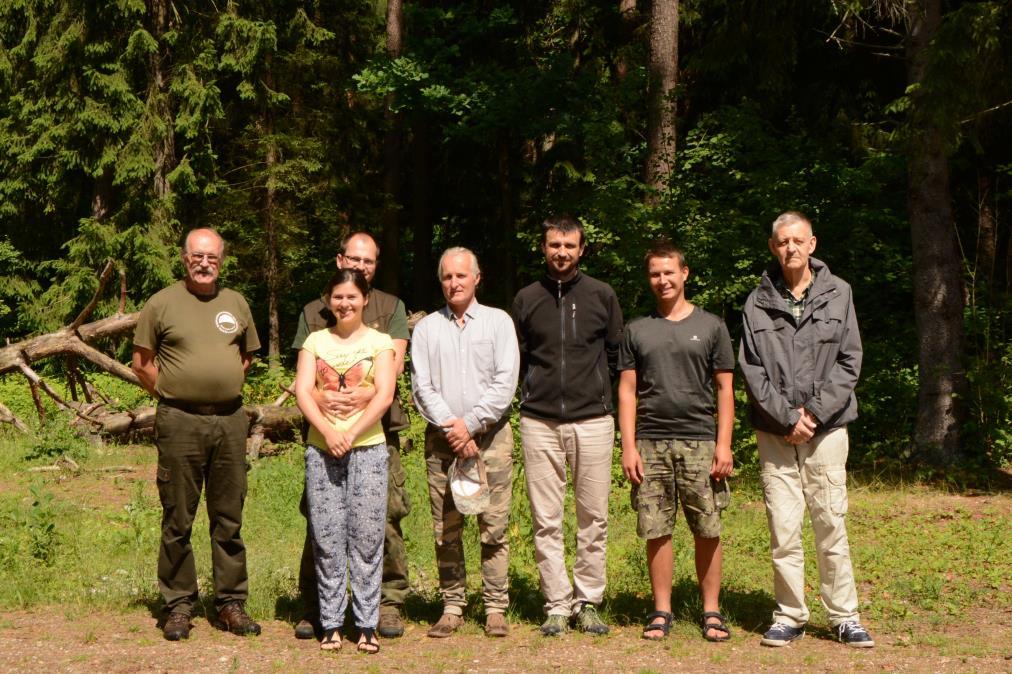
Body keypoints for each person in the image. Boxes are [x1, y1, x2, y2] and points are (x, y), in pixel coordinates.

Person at [739, 211, 874, 648]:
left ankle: (844, 616)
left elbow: (849, 361)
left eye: (798, 240)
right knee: (783, 526)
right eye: (782, 242)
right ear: (772, 247)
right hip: (775, 432)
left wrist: (812, 415)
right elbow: (752, 369)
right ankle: (790, 615)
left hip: (828, 428)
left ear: (812, 243)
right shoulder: (756, 301)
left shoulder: (840, 293)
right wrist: (787, 418)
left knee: (830, 522)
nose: (790, 248)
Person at [132, 228, 261, 641]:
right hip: (180, 423)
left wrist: (216, 387)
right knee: (178, 517)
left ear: (221, 260)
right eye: (197, 256)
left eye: (212, 257)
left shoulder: (235, 302)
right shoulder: (162, 303)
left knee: (229, 517)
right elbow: (142, 362)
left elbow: (244, 358)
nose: (205, 263)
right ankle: (179, 605)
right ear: (184, 258)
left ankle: (230, 603)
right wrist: (175, 395)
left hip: (230, 420)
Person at [291, 231, 412, 640]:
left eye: (369, 262)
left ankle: (386, 604)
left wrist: (360, 394)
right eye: (354, 259)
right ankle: (318, 607)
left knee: (383, 521)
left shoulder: (391, 307)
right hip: (324, 436)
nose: (360, 267)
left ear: (376, 265)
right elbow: (305, 383)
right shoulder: (313, 313)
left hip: (377, 434)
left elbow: (389, 371)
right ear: (340, 257)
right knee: (321, 521)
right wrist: (324, 404)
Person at [617, 240, 735, 642]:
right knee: (656, 529)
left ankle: (711, 610)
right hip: (650, 443)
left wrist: (724, 444)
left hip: (700, 442)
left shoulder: (712, 326)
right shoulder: (636, 329)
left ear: (685, 273)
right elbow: (628, 391)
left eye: (669, 272)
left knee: (708, 527)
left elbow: (724, 390)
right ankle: (661, 609)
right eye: (655, 273)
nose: (662, 279)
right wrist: (628, 446)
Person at [511, 215, 623, 636]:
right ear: (544, 247)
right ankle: (557, 604)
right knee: (547, 518)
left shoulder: (602, 295)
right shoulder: (526, 299)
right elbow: (517, 358)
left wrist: (601, 397)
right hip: (538, 420)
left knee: (593, 516)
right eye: (554, 245)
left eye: (569, 246)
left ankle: (588, 601)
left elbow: (616, 355)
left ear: (581, 250)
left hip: (593, 419)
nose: (562, 253)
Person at [411, 248, 520, 639]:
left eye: (461, 276)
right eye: (447, 277)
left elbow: (505, 382)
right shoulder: (426, 329)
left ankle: (495, 607)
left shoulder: (498, 323)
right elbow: (421, 386)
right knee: (446, 529)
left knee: (493, 528)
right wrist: (453, 429)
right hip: (442, 443)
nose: (454, 283)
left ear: (477, 278)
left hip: (491, 439)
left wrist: (470, 425)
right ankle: (453, 605)